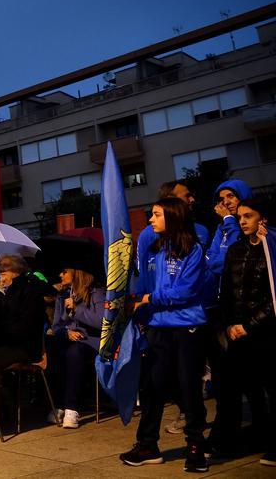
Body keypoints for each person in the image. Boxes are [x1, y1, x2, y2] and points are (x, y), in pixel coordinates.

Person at [120, 197, 209, 472]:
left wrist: (149, 299)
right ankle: (147, 445)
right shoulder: (157, 249)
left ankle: (195, 448)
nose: (150, 220)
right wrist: (136, 302)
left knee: (188, 387)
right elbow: (147, 285)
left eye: (156, 215)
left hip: (186, 328)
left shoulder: (192, 249)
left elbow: (186, 291)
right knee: (152, 388)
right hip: (159, 327)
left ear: (172, 217)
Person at [219, 199, 275, 466]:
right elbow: (228, 291)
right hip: (236, 332)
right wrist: (229, 324)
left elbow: (273, 297)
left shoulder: (271, 247)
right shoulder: (235, 249)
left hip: (264, 333)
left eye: (248, 216)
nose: (242, 221)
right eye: (239, 216)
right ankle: (232, 441)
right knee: (234, 388)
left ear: (262, 219)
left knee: (269, 388)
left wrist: (250, 325)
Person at [204, 178, 253, 452]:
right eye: (222, 197)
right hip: (220, 309)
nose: (226, 202)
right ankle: (225, 434)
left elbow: (227, 260)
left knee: (248, 378)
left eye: (231, 196)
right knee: (224, 377)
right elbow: (212, 262)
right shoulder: (222, 228)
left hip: (243, 311)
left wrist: (231, 223)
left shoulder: (238, 226)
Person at [0, 254, 49, 415]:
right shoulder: (5, 292)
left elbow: (24, 328)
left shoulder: (30, 292)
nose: (1, 278)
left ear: (15, 272)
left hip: (25, 348)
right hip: (8, 344)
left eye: (3, 274)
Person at [47, 266, 106, 429]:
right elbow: (57, 325)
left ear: (77, 272)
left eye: (65, 271)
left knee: (75, 352)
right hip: (68, 339)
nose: (60, 274)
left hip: (90, 342)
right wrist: (66, 332)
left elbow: (101, 322)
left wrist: (76, 310)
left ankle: (72, 408)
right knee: (53, 348)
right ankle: (58, 403)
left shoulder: (97, 293)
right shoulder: (63, 295)